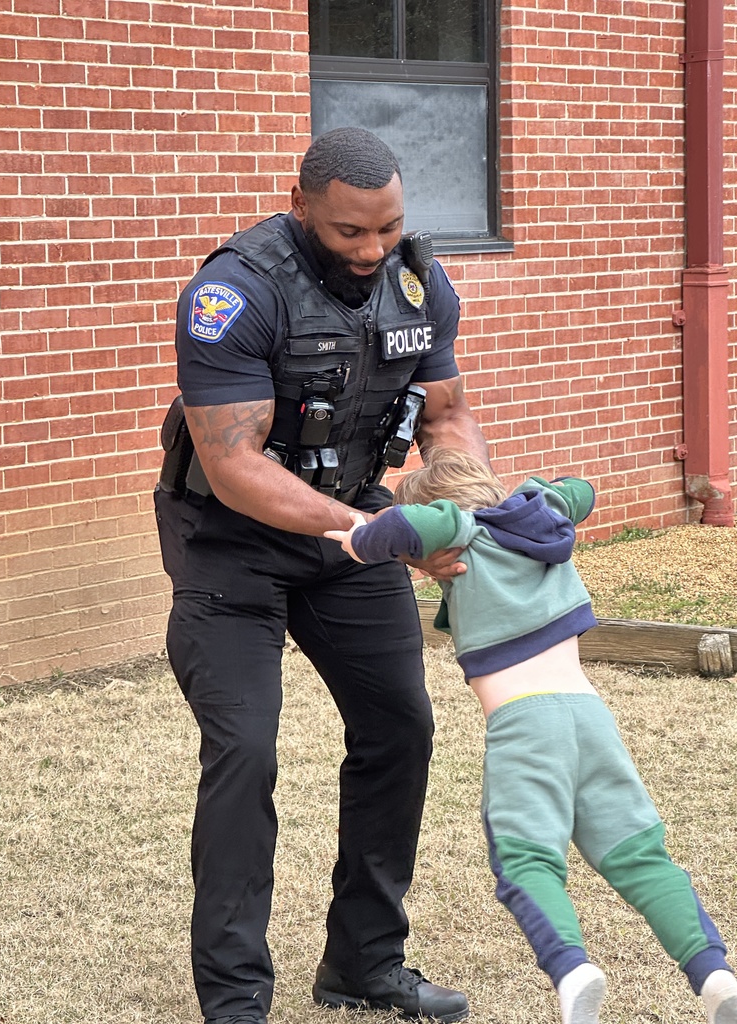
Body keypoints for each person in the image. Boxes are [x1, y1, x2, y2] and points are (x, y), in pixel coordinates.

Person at [153, 127, 491, 1024]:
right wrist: (378, 535)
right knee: (245, 751)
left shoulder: (419, 283)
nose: (372, 251)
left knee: (401, 731)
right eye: (350, 233)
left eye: (387, 228)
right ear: (302, 207)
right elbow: (234, 466)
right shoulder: (234, 292)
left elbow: (447, 417)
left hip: (351, 526)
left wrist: (465, 503)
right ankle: (235, 1003)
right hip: (231, 541)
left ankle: (363, 965)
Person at [324, 447, 737, 1024]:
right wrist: (542, 494)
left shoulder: (460, 534)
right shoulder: (543, 517)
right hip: (589, 717)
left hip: (525, 723)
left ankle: (572, 970)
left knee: (526, 862)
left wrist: (363, 539)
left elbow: (422, 522)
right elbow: (582, 490)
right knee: (641, 856)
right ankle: (713, 974)